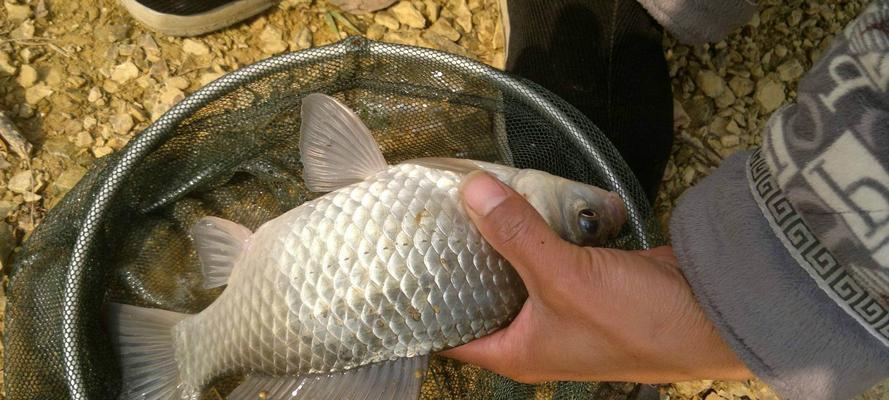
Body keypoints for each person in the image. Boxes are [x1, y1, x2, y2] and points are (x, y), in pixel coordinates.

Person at [120, 1, 889, 399]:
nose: (592, 210)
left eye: (585, 221)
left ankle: (187, 350)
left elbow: (330, 142)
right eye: (585, 221)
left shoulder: (465, 195)